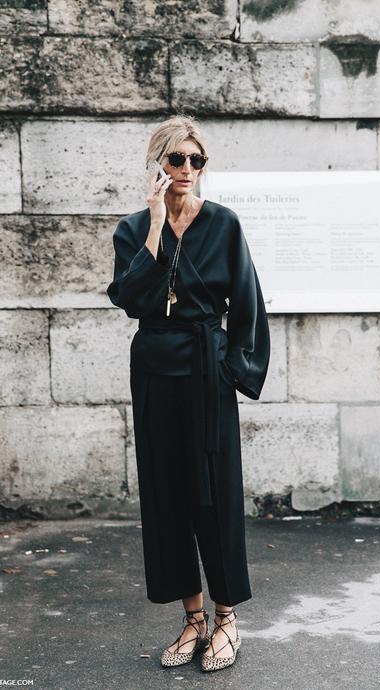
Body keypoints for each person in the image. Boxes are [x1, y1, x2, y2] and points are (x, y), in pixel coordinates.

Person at [107, 114, 270, 672]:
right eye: (177, 159)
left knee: (214, 493)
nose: (186, 170)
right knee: (166, 494)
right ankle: (192, 618)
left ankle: (227, 618)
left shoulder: (223, 224)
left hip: (206, 368)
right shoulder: (132, 229)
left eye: (196, 160)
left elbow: (248, 300)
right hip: (154, 369)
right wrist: (155, 224)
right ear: (159, 163)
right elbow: (130, 299)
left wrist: (236, 369)